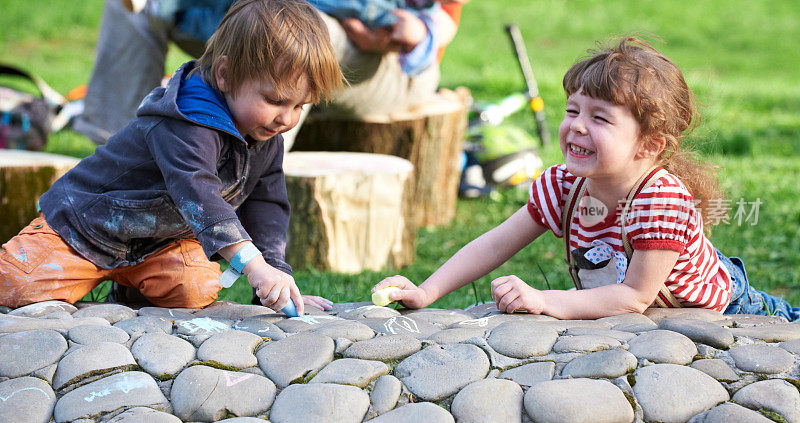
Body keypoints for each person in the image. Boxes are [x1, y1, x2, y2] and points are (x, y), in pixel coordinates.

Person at [373, 37, 800, 322]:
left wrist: (546, 300)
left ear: (649, 145)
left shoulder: (661, 201)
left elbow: (635, 296)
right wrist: (427, 291)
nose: (576, 126)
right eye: (573, 110)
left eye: (599, 117)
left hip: (732, 309)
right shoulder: (564, 185)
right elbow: (497, 242)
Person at [0, 0, 344, 314]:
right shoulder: (183, 123)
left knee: (196, 291)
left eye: (299, 105)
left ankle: (128, 289)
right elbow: (200, 194)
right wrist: (253, 265)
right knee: (17, 287)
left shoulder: (264, 135)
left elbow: (267, 206)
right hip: (85, 229)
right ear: (224, 75)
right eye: (274, 100)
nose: (287, 118)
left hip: (157, 244)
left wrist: (275, 281)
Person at [73, 0, 464, 147]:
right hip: (241, 19)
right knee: (130, 5)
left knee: (303, 27)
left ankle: (250, 177)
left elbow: (436, 26)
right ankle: (116, 153)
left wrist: (394, 32)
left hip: (391, 66)